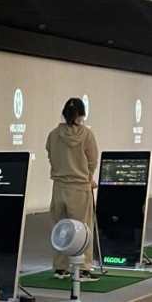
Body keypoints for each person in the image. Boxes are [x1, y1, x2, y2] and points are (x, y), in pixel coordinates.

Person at [46, 97, 99, 279]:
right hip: (80, 189)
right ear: (81, 115)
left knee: (60, 228)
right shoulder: (87, 135)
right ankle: (83, 268)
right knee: (83, 229)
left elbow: (51, 155)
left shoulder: (53, 135)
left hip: (59, 188)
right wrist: (88, 177)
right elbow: (92, 160)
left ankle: (60, 268)